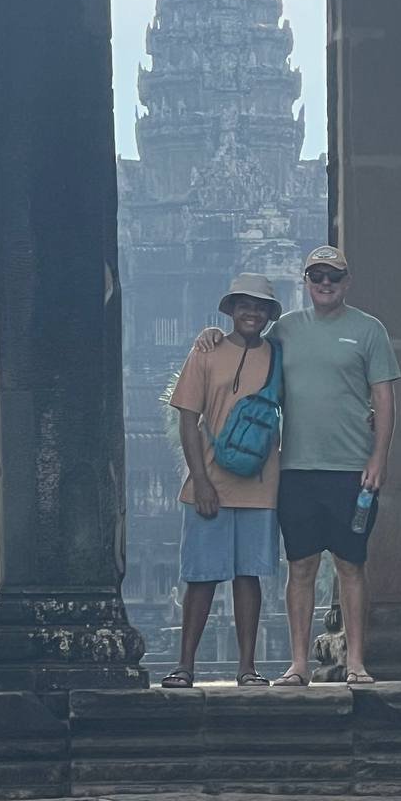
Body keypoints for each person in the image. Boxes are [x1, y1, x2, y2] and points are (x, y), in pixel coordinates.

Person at [198, 246, 400, 685]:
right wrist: (211, 337)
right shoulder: (285, 331)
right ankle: (299, 663)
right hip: (296, 468)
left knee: (351, 565)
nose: (325, 284)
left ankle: (356, 661)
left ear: (347, 282)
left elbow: (383, 397)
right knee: (302, 566)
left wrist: (379, 456)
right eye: (317, 277)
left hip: (352, 468)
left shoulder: (369, 330)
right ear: (306, 282)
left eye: (333, 277)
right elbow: (246, 349)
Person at [161, 273, 283, 689]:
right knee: (201, 576)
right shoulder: (206, 352)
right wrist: (201, 481)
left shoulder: (278, 356)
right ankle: (185, 666)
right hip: (208, 481)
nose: (252, 312)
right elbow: (188, 421)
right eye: (244, 304)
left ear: (270, 314)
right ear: (230, 310)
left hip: (260, 483)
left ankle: (247, 667)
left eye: (261, 306)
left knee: (250, 576)